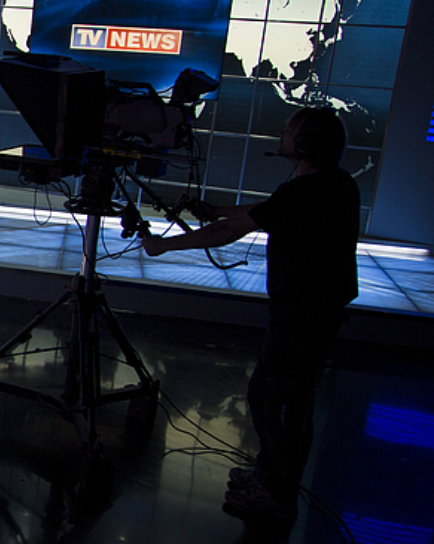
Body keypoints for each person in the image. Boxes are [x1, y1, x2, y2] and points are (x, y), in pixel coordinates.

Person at [141, 107, 359, 522]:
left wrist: (163, 246)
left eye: (291, 129)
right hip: (314, 313)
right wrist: (218, 209)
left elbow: (230, 232)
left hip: (301, 316)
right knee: (275, 397)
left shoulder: (303, 193)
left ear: (306, 144)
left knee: (280, 403)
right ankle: (269, 474)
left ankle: (278, 495)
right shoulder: (335, 184)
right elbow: (269, 209)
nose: (283, 132)